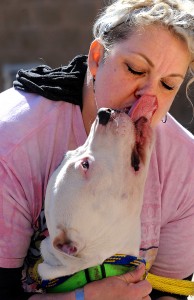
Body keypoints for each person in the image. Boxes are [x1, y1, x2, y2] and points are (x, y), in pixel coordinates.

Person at [0, 0, 194, 299]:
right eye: (135, 69)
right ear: (96, 57)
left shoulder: (184, 166)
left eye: (168, 85)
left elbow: (171, 291)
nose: (148, 99)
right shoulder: (11, 141)